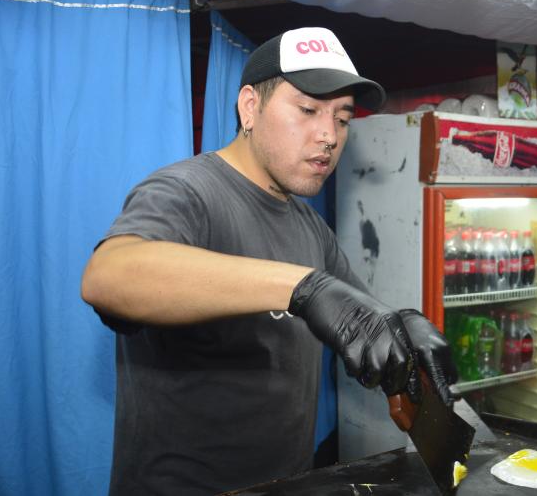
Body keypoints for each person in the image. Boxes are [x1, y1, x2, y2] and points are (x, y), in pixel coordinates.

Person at [81, 27, 456, 495]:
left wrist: (400, 325)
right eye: (307, 110)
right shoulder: (187, 191)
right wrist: (299, 288)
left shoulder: (306, 224)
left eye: (342, 119)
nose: (328, 136)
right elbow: (108, 276)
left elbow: (356, 316)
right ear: (249, 107)